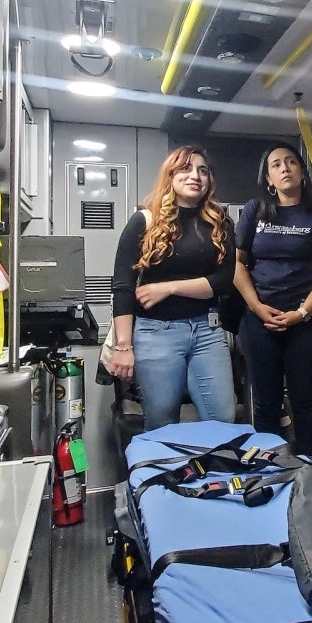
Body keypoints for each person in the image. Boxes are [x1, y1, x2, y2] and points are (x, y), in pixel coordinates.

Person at [109, 145, 237, 431]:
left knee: (223, 418)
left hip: (207, 331)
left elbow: (223, 281)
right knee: (162, 423)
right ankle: (164, 477)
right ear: (170, 175)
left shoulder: (219, 223)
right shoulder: (144, 221)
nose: (196, 176)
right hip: (156, 334)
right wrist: (124, 346)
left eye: (203, 171)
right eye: (186, 169)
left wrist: (168, 287)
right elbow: (122, 287)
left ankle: (215, 475)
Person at [233, 143, 312, 456]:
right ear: (268, 177)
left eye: (291, 161)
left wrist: (303, 312)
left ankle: (307, 467)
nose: (285, 168)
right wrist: (256, 307)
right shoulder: (256, 209)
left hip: (305, 323)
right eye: (277, 164)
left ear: (302, 172)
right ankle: (271, 468)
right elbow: (237, 264)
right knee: (266, 403)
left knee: (303, 400)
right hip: (259, 321)